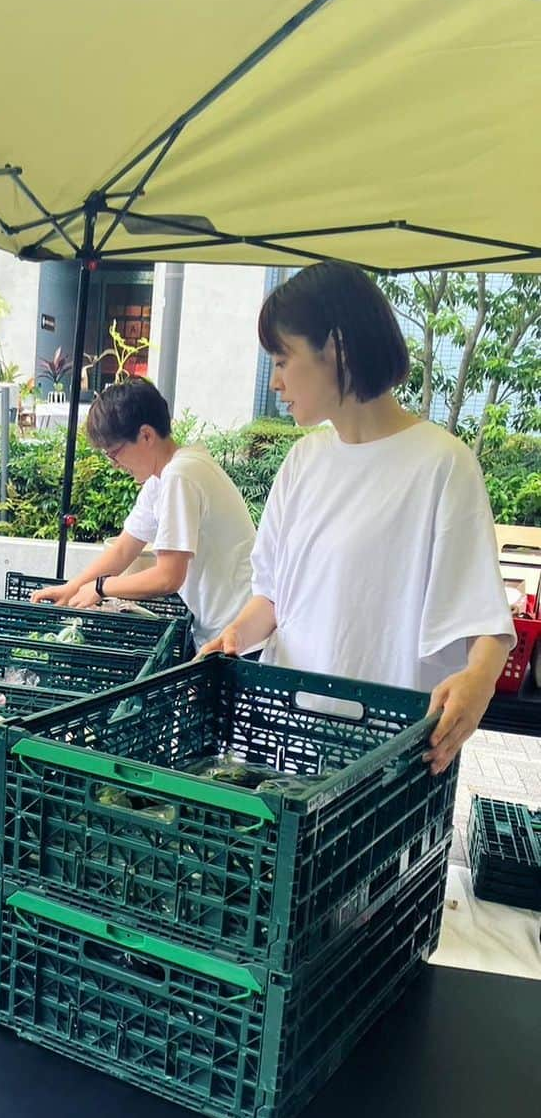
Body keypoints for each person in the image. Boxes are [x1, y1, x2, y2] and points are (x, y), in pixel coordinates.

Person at [200, 261, 514, 776]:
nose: (276, 380)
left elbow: (485, 619)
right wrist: (233, 634)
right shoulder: (303, 462)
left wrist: (478, 681)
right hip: (287, 741)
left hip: (383, 759)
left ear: (337, 348)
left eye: (283, 358)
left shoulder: (441, 463)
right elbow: (273, 597)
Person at [31, 378, 256, 651]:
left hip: (240, 638)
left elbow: (168, 577)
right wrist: (73, 586)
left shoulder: (180, 475)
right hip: (226, 631)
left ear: (146, 435)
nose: (115, 465)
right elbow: (125, 548)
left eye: (114, 454)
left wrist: (102, 588)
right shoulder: (163, 477)